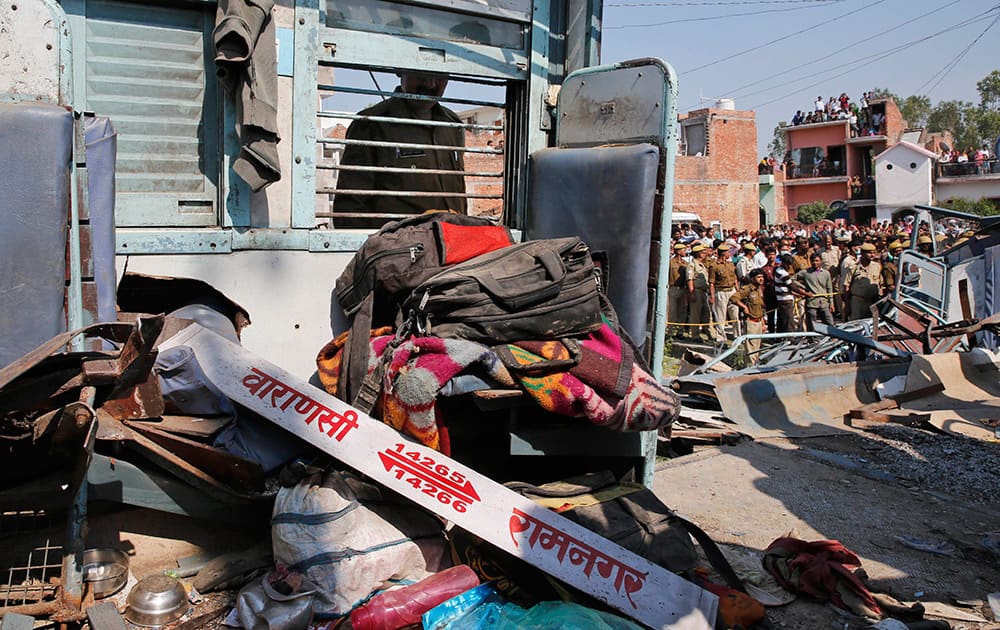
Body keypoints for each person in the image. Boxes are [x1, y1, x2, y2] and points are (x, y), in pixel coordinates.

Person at [334, 72, 466, 226]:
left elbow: (459, 198)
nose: (430, 84)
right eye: (421, 75)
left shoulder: (452, 125)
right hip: (401, 246)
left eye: (439, 78)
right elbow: (349, 208)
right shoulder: (372, 123)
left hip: (453, 242)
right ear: (400, 71)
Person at [731, 269, 767, 365]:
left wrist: (763, 324)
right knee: (751, 349)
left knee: (757, 348)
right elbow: (734, 298)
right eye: (758, 277)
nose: (761, 279)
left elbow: (760, 308)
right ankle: (750, 367)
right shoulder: (747, 289)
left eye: (762, 277)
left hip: (759, 321)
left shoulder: (759, 289)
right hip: (751, 322)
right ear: (752, 278)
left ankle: (754, 365)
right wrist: (744, 307)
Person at [793, 253, 835, 330]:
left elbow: (829, 288)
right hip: (811, 302)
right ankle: (812, 339)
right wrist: (803, 288)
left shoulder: (826, 273)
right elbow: (792, 279)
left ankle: (832, 338)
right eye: (813, 261)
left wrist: (831, 302)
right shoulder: (805, 272)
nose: (815, 263)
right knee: (812, 324)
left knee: (829, 322)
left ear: (821, 261)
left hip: (824, 301)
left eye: (817, 261)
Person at [709, 244, 739, 341]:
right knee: (720, 316)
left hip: (732, 291)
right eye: (728, 252)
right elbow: (711, 282)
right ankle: (721, 337)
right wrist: (712, 296)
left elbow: (735, 279)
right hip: (721, 291)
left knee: (735, 314)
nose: (729, 253)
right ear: (723, 253)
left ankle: (737, 335)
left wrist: (738, 292)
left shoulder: (730, 264)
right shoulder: (714, 266)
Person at [846, 243, 883, 320]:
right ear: (862, 253)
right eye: (869, 253)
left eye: (874, 253)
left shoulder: (877, 266)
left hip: (872, 302)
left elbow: (880, 284)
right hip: (857, 302)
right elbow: (846, 287)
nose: (872, 255)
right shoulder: (854, 267)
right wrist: (847, 305)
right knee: (856, 324)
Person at [686, 243, 711, 340]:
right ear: (697, 253)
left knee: (705, 313)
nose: (705, 254)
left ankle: (706, 332)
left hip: (703, 291)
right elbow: (689, 279)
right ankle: (694, 334)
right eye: (702, 252)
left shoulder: (702, 265)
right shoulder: (692, 264)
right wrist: (692, 293)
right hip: (696, 291)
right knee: (695, 314)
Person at [667, 243, 689, 336]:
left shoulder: (686, 263)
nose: (685, 252)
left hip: (683, 289)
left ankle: (680, 331)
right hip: (673, 288)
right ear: (678, 251)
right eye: (683, 250)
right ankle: (670, 331)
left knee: (682, 311)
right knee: (672, 311)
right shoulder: (670, 262)